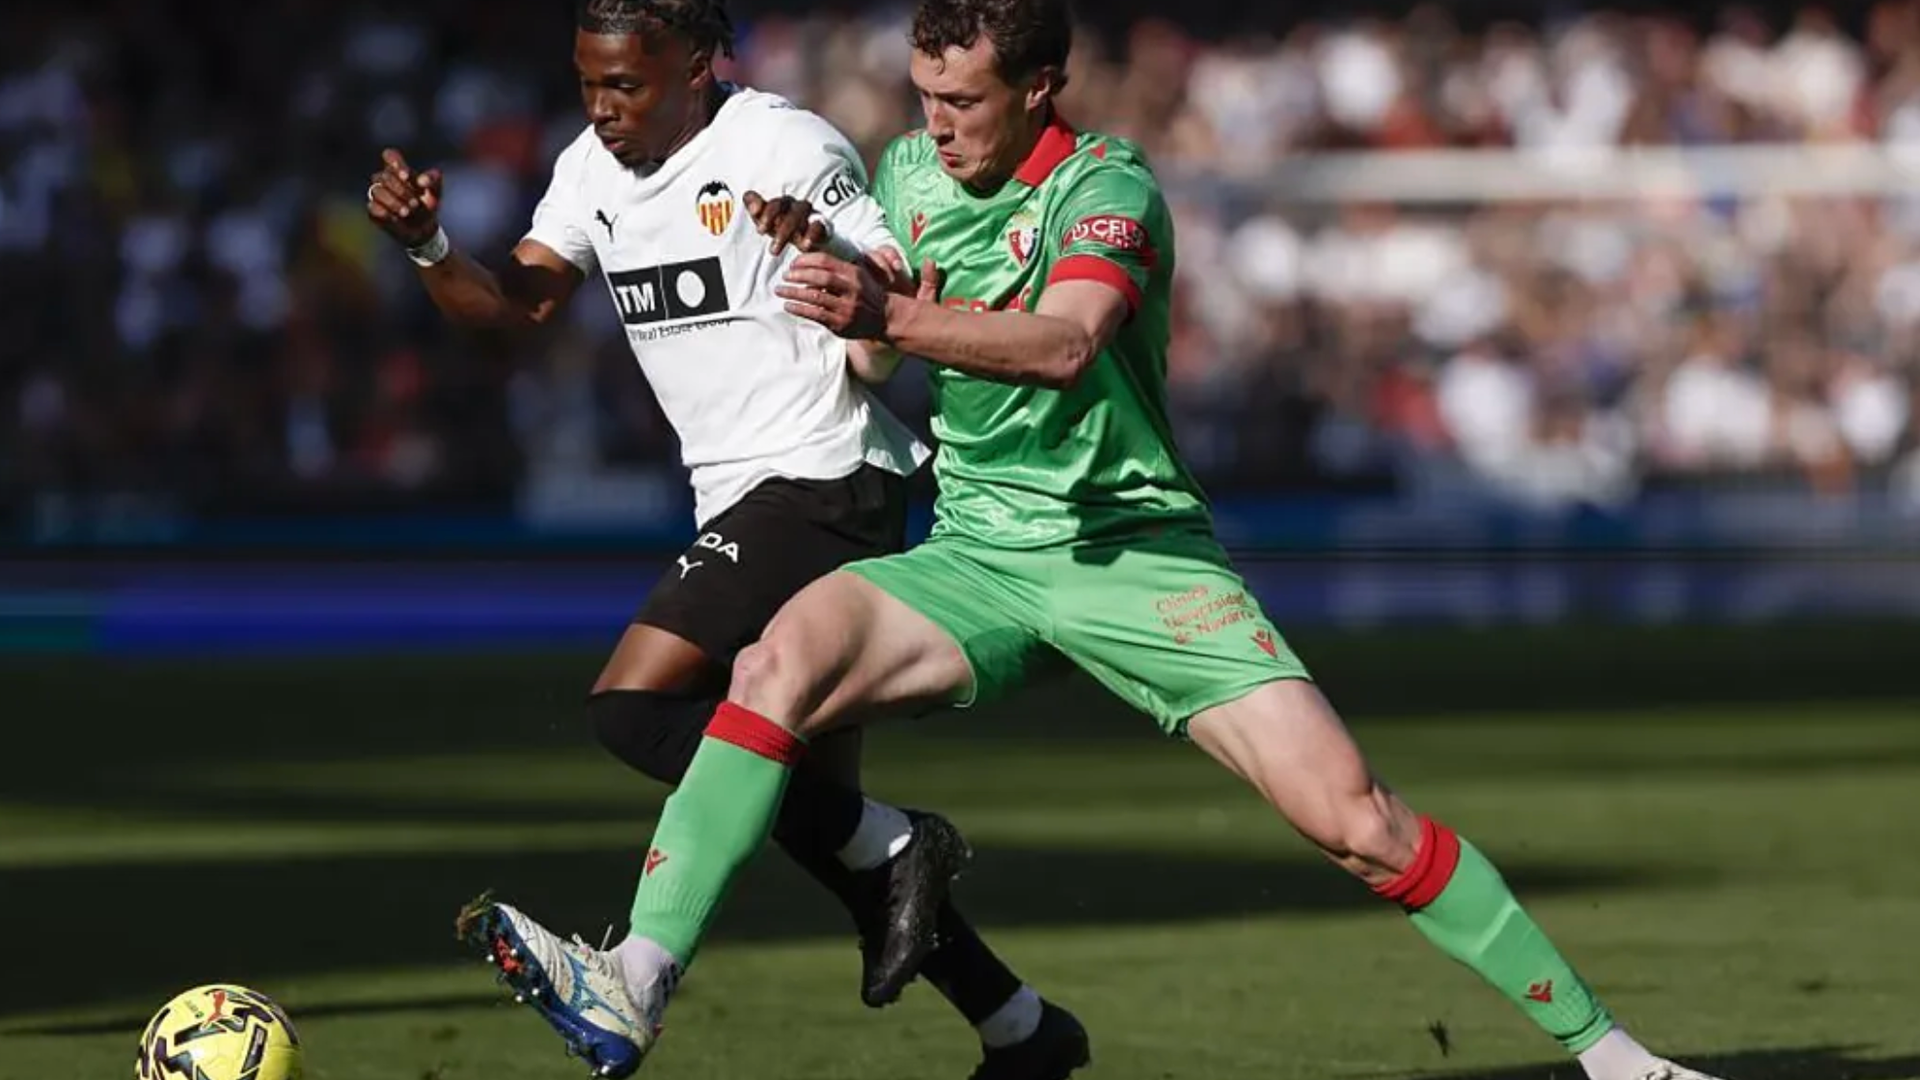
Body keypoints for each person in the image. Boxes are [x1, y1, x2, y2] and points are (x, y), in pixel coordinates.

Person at [462, 0, 1737, 1078]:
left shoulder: (1106, 184)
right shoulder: (906, 176)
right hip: (978, 553)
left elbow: (1066, 343)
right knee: (771, 669)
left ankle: (1615, 1057)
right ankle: (637, 974)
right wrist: (832, 286)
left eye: (962, 101)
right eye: (923, 97)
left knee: (1361, 823)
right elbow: (870, 338)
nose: (935, 126)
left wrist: (893, 315)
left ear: (1038, 90)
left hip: (1136, 559)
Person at [364, 1, 1089, 1077]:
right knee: (815, 820)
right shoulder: (589, 170)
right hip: (743, 498)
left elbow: (897, 286)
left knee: (633, 703)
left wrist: (827, 249)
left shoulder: (784, 145)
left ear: (698, 67)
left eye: (628, 86)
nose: (604, 109)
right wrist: (426, 244)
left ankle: (722, 932)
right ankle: (1020, 1027)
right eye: (589, 84)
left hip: (829, 479)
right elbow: (515, 308)